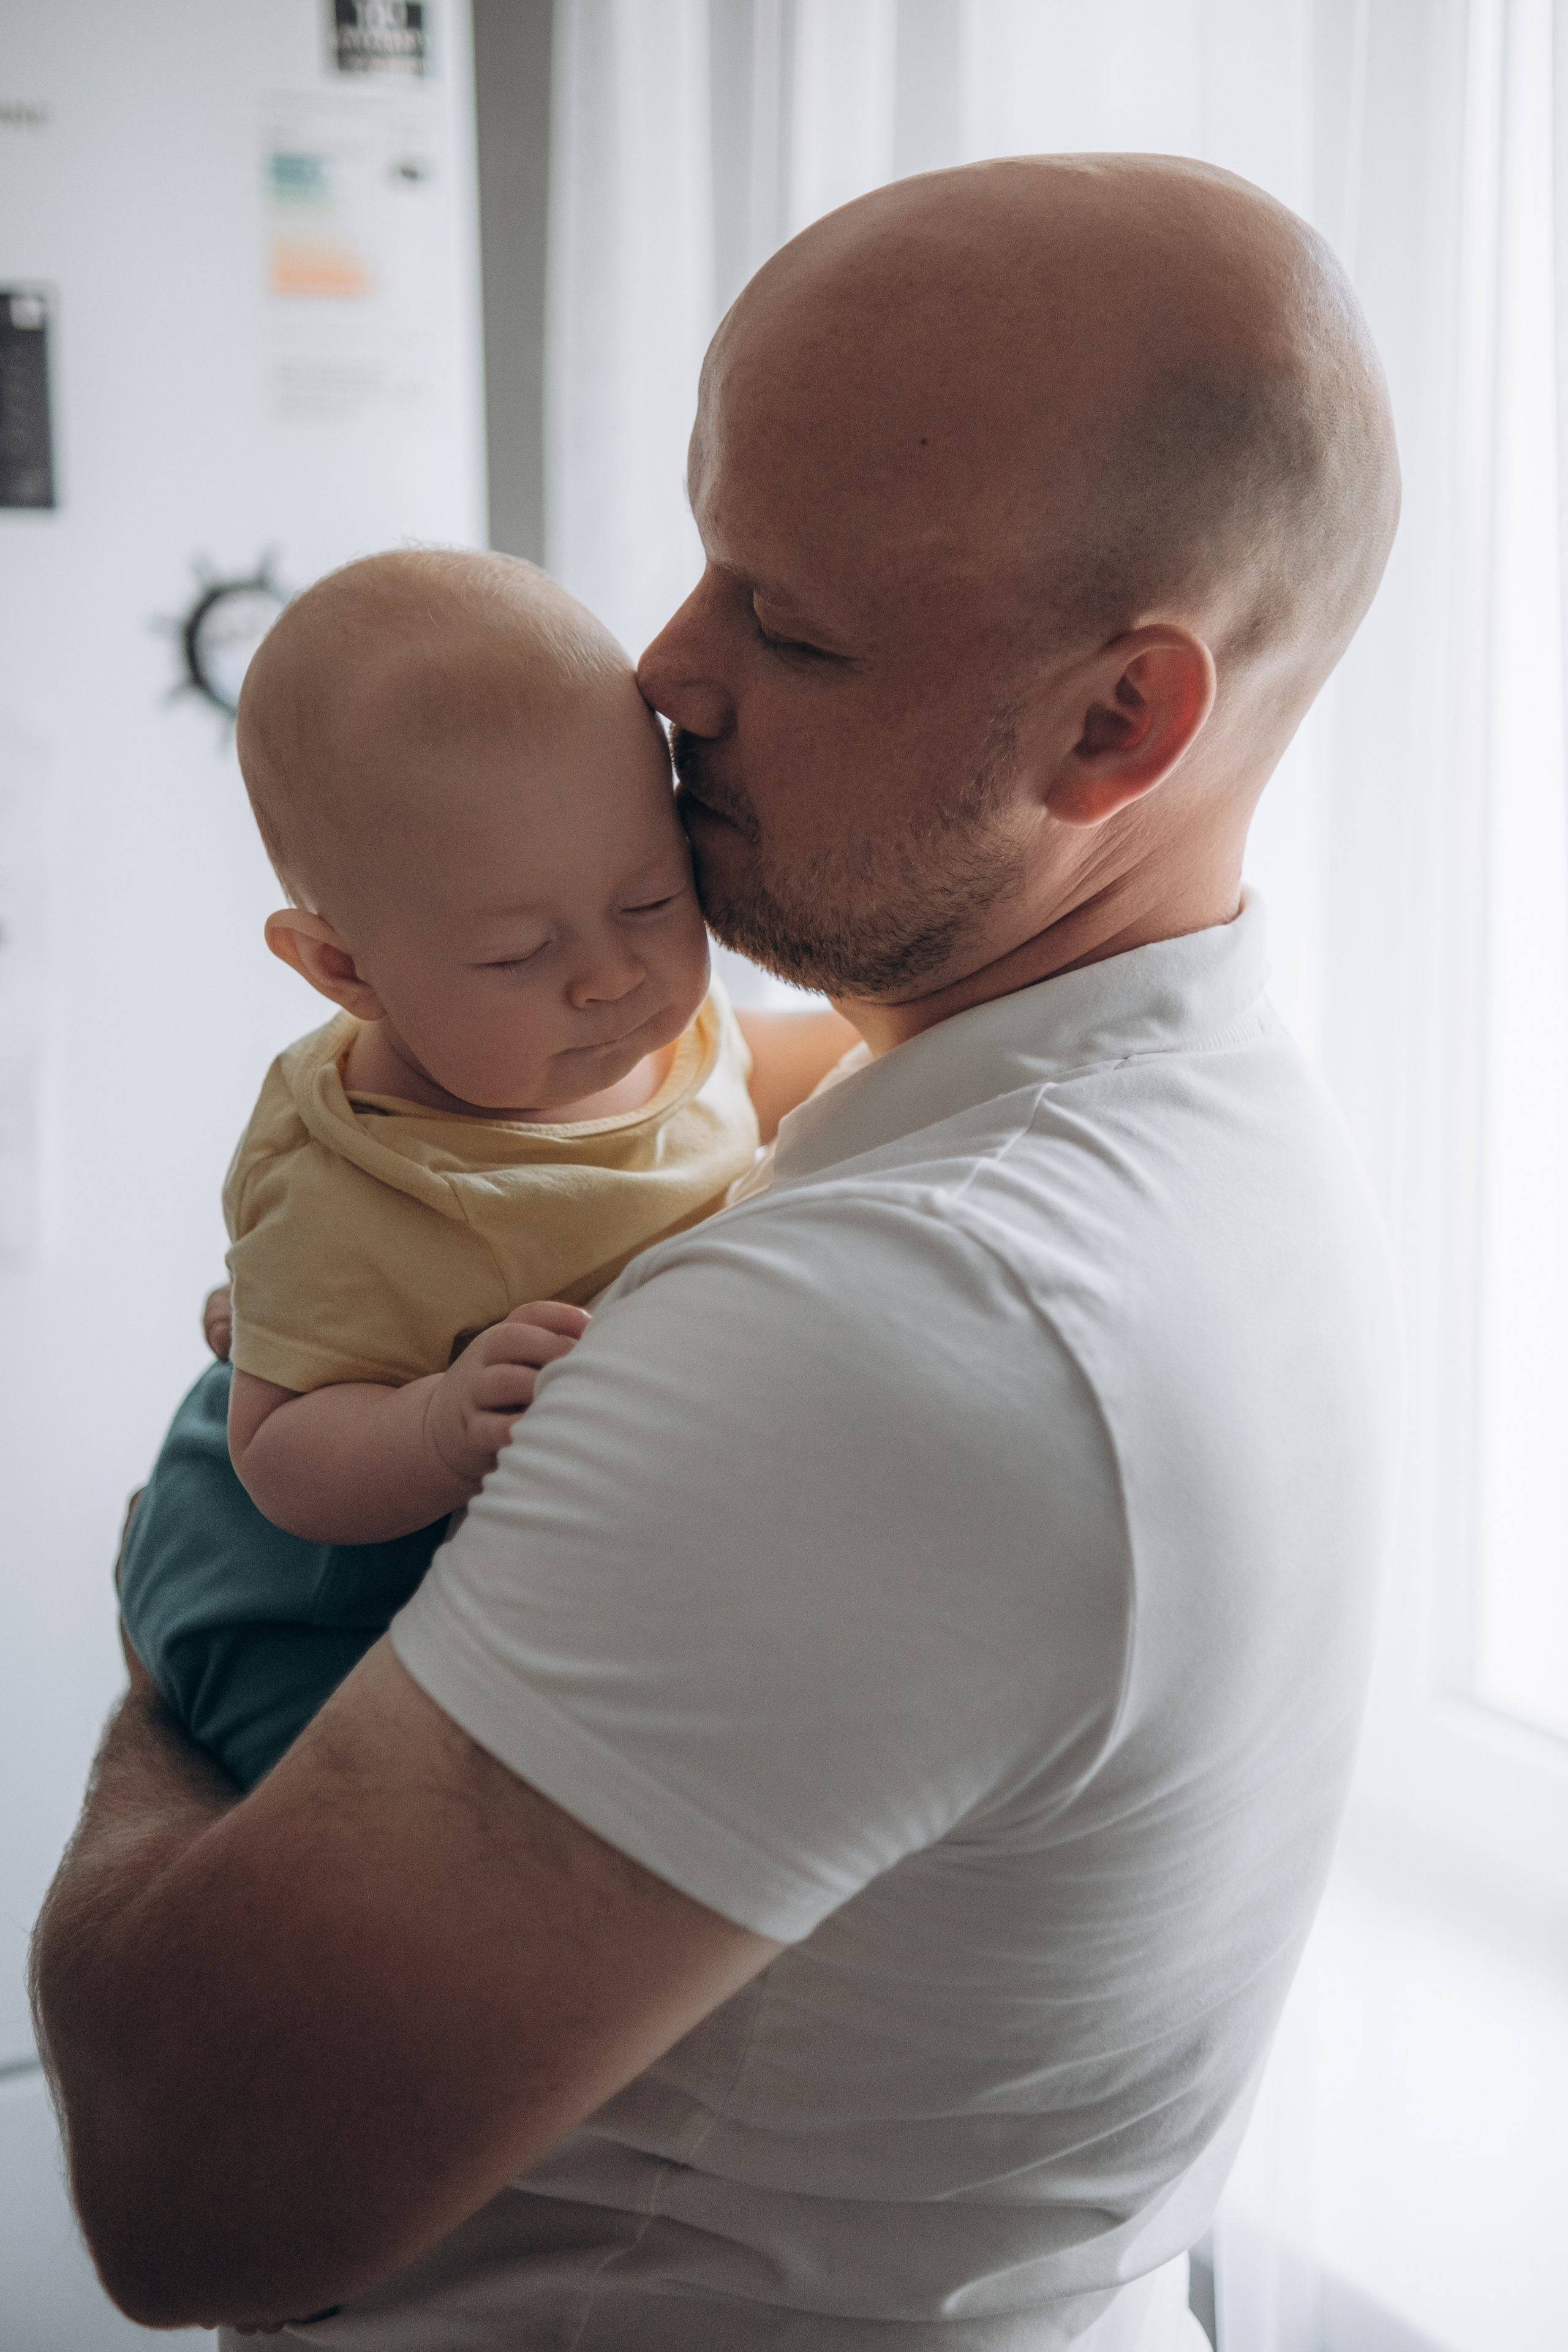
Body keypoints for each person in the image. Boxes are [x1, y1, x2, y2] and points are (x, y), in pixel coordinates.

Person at [30, 154, 1402, 2350]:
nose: (662, 670)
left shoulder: (890, 1336)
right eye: (704, 561)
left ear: (1116, 721)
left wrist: (191, 1579)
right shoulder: (1191, 1099)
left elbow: (185, 2174)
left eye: (794, 622)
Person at [118, 547, 848, 1788]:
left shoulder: (648, 1024)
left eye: (650, 903)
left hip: (503, 1558)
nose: (609, 976)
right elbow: (280, 1448)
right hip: (308, 1592)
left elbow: (749, 1079)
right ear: (341, 970)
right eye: (517, 952)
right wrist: (433, 1426)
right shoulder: (353, 1177)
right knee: (349, 1817)